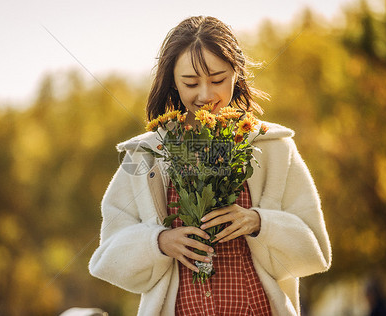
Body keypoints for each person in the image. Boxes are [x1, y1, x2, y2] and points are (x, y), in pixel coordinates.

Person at [89, 16, 331, 316]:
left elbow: (315, 252)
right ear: (173, 83)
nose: (205, 95)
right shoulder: (146, 155)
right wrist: (159, 242)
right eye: (190, 83)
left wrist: (259, 223)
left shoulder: (275, 148)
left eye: (218, 80)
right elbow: (107, 258)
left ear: (236, 74)